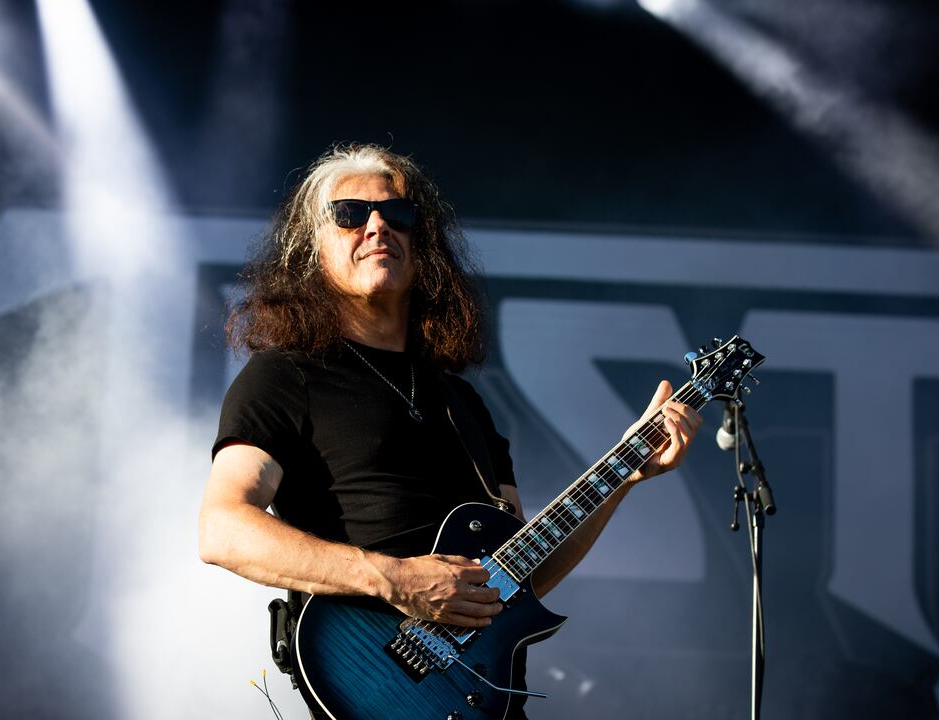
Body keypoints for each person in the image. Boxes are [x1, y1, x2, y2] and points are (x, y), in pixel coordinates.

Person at [198, 144, 702, 717]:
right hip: (376, 682)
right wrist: (393, 578)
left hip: (484, 697)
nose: (379, 225)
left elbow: (518, 577)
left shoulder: (461, 402)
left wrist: (625, 477)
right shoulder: (284, 377)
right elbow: (223, 529)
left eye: (399, 214)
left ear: (423, 244)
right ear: (314, 246)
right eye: (351, 214)